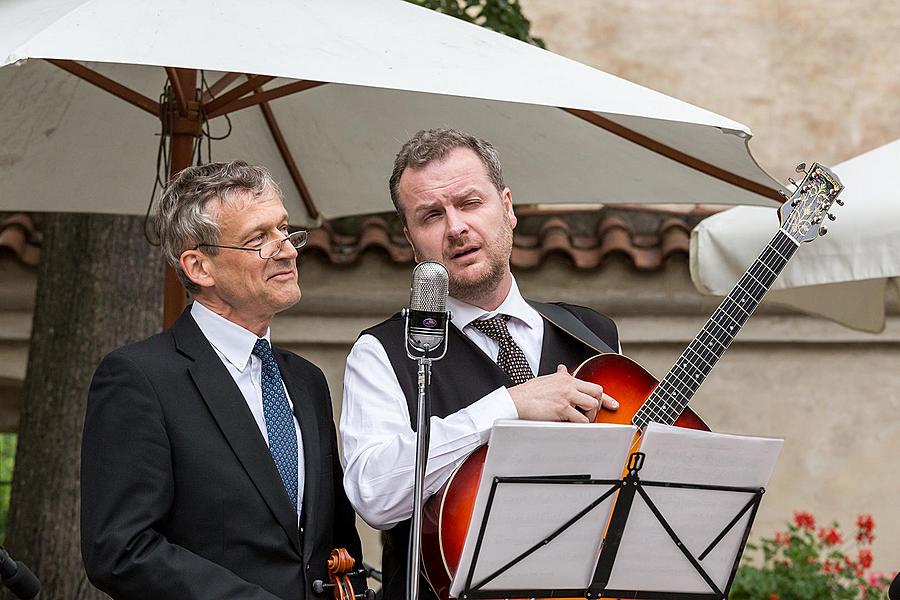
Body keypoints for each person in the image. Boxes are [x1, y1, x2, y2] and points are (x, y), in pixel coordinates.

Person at [340, 129, 620, 599]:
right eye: (431, 215)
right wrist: (506, 407)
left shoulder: (593, 334)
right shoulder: (380, 353)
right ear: (411, 240)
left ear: (507, 207)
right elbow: (374, 495)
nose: (455, 228)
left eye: (470, 203)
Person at [81, 161, 364, 600]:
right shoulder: (139, 378)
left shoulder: (307, 381)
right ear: (199, 267)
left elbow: (334, 540)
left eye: (284, 230)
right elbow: (121, 549)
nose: (287, 250)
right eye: (258, 239)